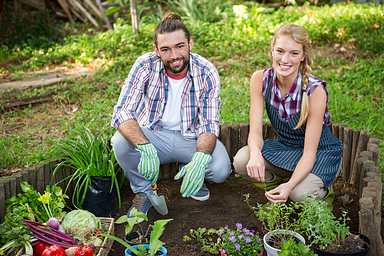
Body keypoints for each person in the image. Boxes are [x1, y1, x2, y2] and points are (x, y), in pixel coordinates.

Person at [111, 13, 231, 216]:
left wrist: (200, 158)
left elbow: (209, 123)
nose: (174, 55)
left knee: (220, 170)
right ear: (156, 50)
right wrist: (144, 146)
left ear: (190, 43)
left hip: (191, 138)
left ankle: (191, 169)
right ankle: (144, 191)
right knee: (120, 142)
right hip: (153, 136)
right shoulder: (145, 65)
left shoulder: (206, 71)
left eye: (180, 46)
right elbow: (122, 111)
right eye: (165, 49)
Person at [233, 24, 342, 203]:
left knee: (299, 194)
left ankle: (319, 192)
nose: (285, 59)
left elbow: (309, 153)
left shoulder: (314, 91)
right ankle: (276, 192)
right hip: (286, 148)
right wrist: (255, 155)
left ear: (303, 56)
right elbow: (255, 133)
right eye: (280, 51)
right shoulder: (260, 79)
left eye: (294, 53)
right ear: (272, 51)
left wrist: (290, 186)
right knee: (243, 160)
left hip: (319, 153)